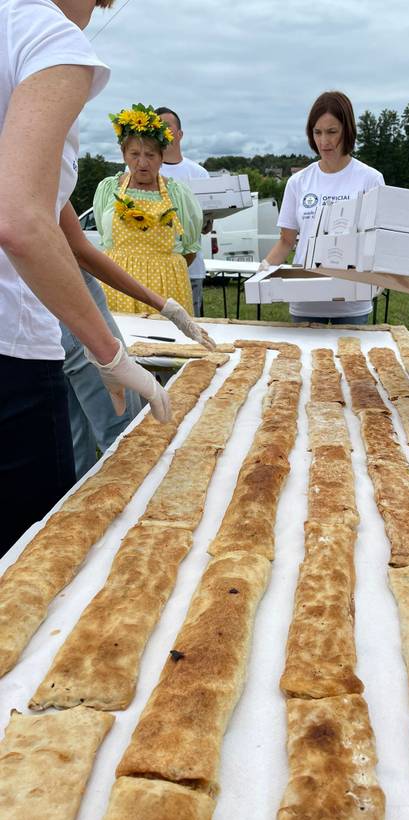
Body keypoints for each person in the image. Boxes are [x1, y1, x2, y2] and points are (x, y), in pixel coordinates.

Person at [0, 0, 170, 555]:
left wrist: (162, 305)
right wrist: (110, 354)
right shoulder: (45, 34)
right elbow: (22, 223)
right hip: (13, 350)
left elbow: (70, 236)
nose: (96, 12)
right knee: (32, 569)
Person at [59, 200, 215, 478]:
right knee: (123, 436)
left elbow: (78, 248)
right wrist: (108, 354)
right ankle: (115, 499)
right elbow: (74, 250)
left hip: (56, 290)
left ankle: (78, 495)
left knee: (73, 428)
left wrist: (161, 304)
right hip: (59, 293)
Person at [261, 90, 384, 324]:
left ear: (347, 130)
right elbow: (287, 240)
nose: (324, 141)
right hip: (305, 300)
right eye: (317, 132)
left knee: (350, 362)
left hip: (351, 303)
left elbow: (377, 241)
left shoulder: (370, 179)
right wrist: (265, 268)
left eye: (331, 132)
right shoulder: (299, 182)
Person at [94, 103, 203, 315]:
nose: (142, 163)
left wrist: (162, 269)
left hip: (167, 289)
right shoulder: (109, 189)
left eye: (151, 155)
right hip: (117, 286)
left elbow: (190, 248)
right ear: (123, 154)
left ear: (162, 157)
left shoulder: (179, 194)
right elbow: (104, 237)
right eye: (134, 154)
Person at [155, 106, 212, 316]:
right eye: (157, 127)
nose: (162, 132)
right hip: (152, 269)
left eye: (167, 127)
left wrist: (206, 222)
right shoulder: (140, 170)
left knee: (191, 330)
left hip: (191, 269)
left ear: (180, 134)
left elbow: (207, 227)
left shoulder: (199, 173)